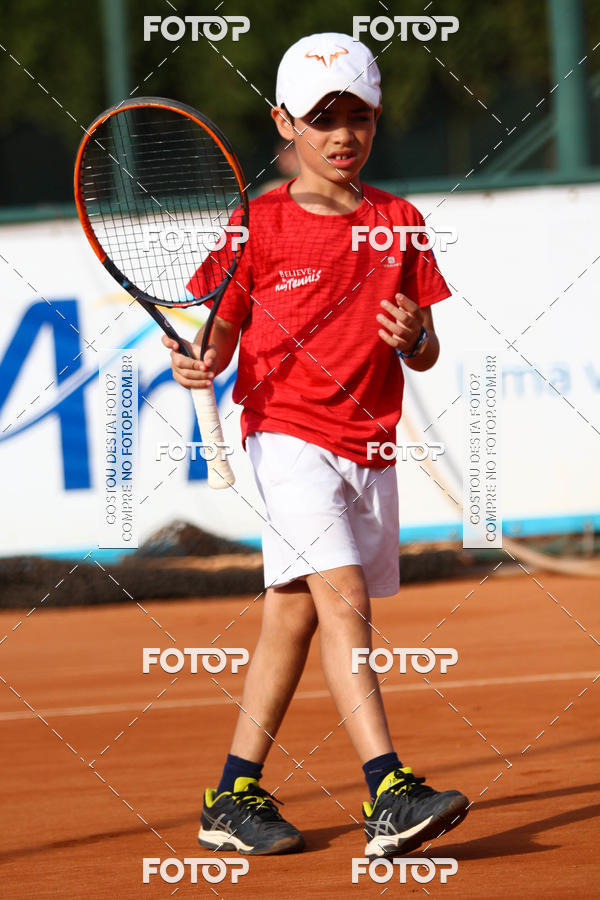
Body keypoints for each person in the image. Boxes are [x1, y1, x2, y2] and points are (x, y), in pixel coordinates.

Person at [163, 32, 469, 858]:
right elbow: (220, 341)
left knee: (291, 617)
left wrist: (414, 340)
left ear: (376, 119)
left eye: (358, 116)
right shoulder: (254, 224)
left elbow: (428, 344)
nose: (343, 134)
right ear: (284, 123)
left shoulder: (398, 222)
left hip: (369, 448)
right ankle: (388, 791)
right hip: (286, 438)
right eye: (322, 118)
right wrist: (202, 362)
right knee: (341, 601)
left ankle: (231, 793)